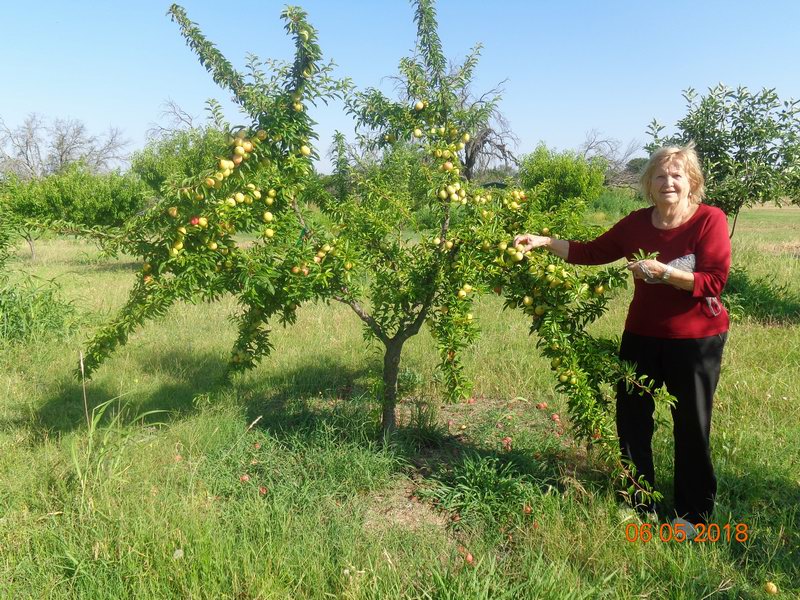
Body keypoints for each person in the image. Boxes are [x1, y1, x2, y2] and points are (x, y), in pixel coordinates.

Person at [514, 143, 730, 534]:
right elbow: (591, 251)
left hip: (696, 339)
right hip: (642, 335)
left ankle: (693, 514)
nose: (668, 182)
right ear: (648, 184)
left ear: (691, 182)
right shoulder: (635, 224)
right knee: (631, 420)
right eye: (660, 176)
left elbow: (713, 282)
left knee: (691, 424)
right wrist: (544, 242)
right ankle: (638, 499)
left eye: (677, 175)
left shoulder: (708, 220)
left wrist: (664, 273)